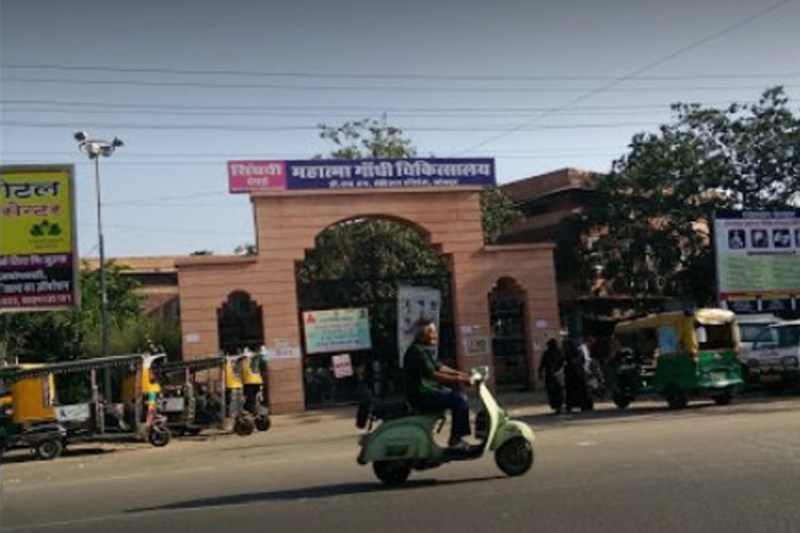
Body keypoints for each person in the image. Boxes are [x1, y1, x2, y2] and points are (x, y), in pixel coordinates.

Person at [403, 317, 472, 450]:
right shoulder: (417, 352)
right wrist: (460, 380)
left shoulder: (422, 350)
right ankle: (455, 440)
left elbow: (439, 367)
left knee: (458, 395)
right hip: (422, 395)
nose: (435, 335)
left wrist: (463, 375)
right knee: (460, 400)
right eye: (432, 332)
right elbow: (434, 375)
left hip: (428, 392)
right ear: (422, 335)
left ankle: (456, 439)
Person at [538, 338, 565, 414]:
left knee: (553, 391)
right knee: (558, 391)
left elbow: (542, 364)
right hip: (557, 374)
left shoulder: (547, 353)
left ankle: (557, 406)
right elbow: (563, 362)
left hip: (550, 375)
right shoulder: (559, 352)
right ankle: (559, 406)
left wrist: (540, 373)